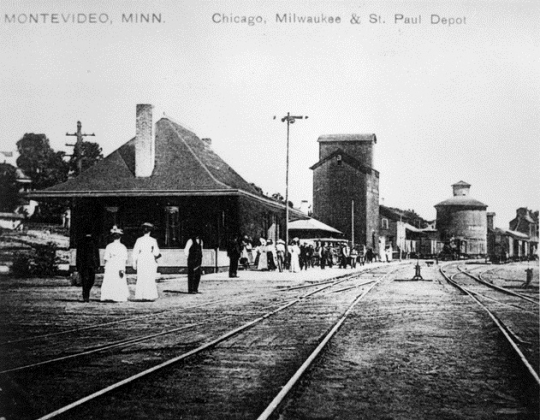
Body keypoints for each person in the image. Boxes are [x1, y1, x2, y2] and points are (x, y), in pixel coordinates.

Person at [132, 222, 161, 301]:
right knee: (150, 277)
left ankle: (140, 295)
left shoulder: (139, 240)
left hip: (141, 259)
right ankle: (149, 295)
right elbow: (156, 252)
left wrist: (134, 262)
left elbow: (135, 252)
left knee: (141, 277)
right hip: (149, 259)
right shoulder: (153, 240)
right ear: (150, 231)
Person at [100, 226, 129, 302]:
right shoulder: (123, 247)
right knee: (118, 279)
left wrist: (105, 266)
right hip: (119, 264)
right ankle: (118, 296)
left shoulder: (109, 246)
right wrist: (123, 268)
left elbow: (106, 258)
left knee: (110, 279)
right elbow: (124, 259)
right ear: (120, 237)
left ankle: (109, 295)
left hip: (111, 264)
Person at [76, 232, 100, 302]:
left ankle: (86, 292)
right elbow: (78, 255)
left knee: (91, 280)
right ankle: (86, 295)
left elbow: (96, 254)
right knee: (84, 280)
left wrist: (97, 264)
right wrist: (78, 265)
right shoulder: (81, 242)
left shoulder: (94, 241)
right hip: (83, 264)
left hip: (92, 264)